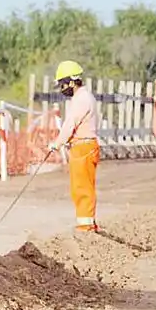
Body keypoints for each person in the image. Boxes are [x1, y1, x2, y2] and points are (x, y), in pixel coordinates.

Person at [47, 60, 101, 232]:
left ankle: (85, 226)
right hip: (85, 146)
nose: (62, 89)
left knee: (81, 188)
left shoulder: (81, 99)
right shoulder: (84, 97)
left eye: (63, 84)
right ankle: (88, 223)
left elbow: (70, 125)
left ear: (71, 81)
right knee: (84, 186)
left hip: (82, 148)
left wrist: (57, 143)